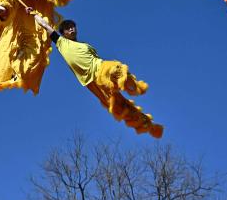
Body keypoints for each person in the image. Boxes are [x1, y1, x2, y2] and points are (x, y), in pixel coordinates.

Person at [29, 9, 163, 138]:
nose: (72, 29)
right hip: (92, 83)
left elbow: (96, 58)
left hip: (100, 68)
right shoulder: (61, 42)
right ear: (63, 33)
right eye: (68, 28)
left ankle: (134, 86)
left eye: (73, 27)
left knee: (116, 69)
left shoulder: (85, 45)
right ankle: (148, 125)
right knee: (119, 106)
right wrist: (33, 13)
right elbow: (45, 25)